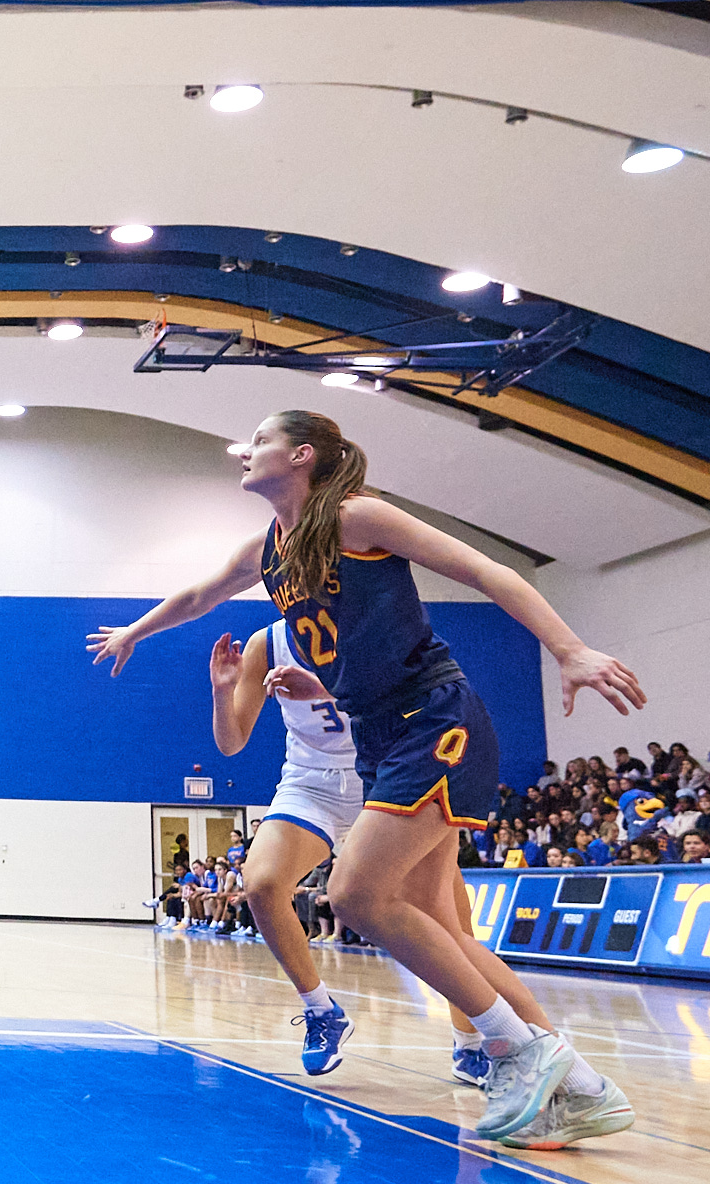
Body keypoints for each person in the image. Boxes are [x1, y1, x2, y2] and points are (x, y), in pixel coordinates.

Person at [89, 409, 641, 1146]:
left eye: (261, 442)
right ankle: (583, 1087)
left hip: (432, 716)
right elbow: (198, 597)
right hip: (382, 734)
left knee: (354, 892)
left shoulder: (359, 516)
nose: (246, 453)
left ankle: (515, 1048)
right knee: (438, 928)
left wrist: (569, 649)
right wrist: (135, 631)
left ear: (304, 455)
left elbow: (486, 570)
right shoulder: (271, 549)